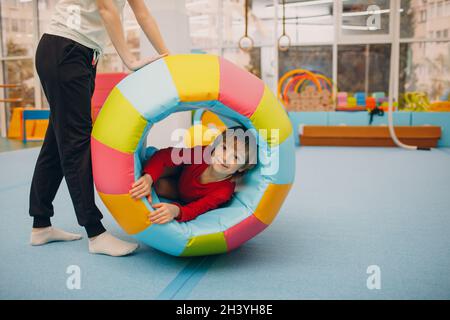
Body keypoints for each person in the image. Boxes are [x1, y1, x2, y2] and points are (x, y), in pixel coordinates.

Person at [29, 0, 170, 257]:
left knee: (55, 142)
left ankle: (40, 224)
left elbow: (142, 12)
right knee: (76, 143)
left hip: (81, 54)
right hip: (65, 49)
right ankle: (95, 232)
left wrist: (168, 56)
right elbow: (107, 9)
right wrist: (128, 58)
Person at [129, 127, 257, 224]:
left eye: (235, 157)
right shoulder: (203, 153)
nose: (225, 158)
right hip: (181, 172)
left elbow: (196, 209)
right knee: (151, 170)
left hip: (182, 195)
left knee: (159, 186)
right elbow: (166, 155)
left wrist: (176, 211)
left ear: (243, 167)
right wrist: (148, 177)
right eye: (224, 148)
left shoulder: (224, 191)